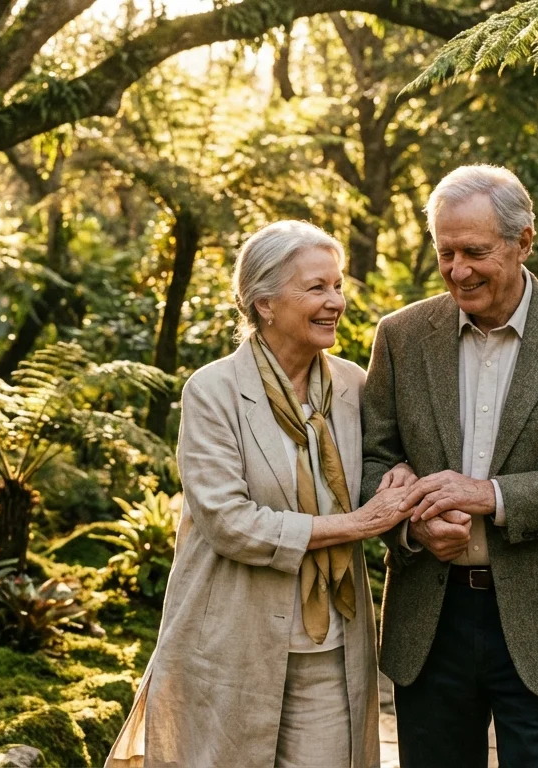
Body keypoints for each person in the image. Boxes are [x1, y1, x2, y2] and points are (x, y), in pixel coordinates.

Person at [362, 165, 538, 767]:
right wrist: (411, 526)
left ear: (523, 242)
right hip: (429, 623)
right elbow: (370, 462)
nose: (458, 270)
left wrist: (491, 496)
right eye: (446, 252)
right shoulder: (400, 336)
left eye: (475, 251)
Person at [107, 220, 413, 768]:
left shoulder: (352, 388)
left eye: (337, 286)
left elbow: (384, 466)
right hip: (230, 643)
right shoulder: (213, 391)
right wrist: (359, 524)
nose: (335, 302)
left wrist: (401, 477)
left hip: (331, 644)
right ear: (265, 303)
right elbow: (230, 522)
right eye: (316, 288)